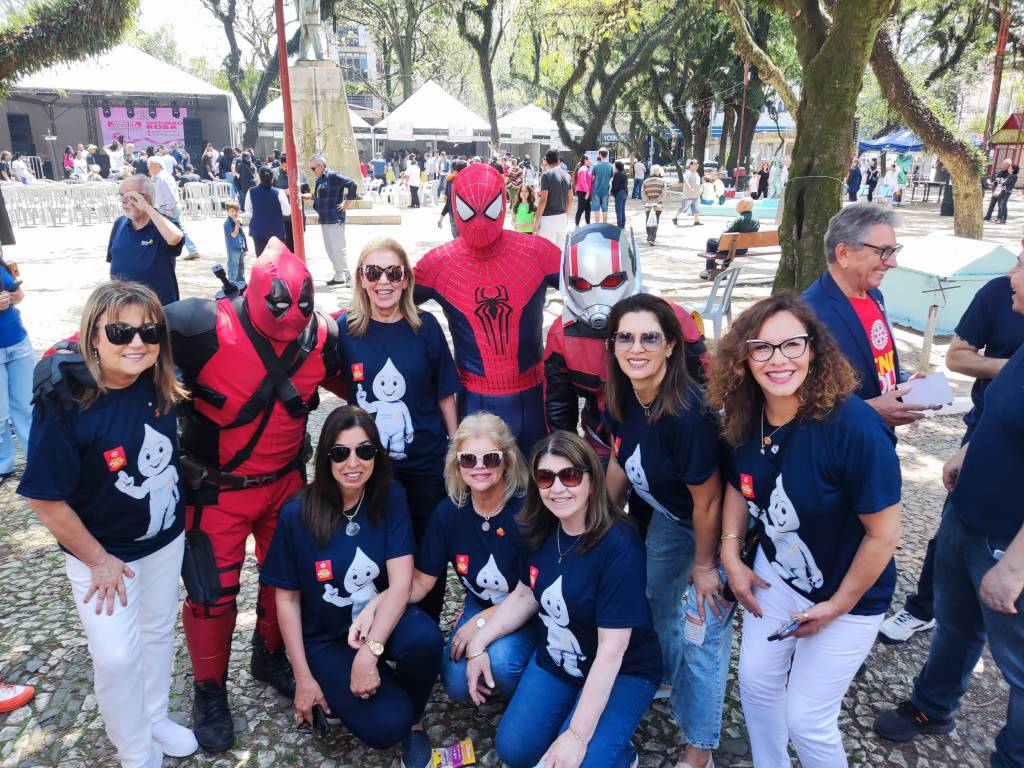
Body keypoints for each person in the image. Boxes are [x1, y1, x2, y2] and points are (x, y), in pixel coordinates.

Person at [708, 292, 902, 766]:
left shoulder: (854, 427)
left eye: (792, 344)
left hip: (849, 593)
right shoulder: (746, 413)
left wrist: (836, 606)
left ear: (813, 348)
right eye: (762, 347)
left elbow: (884, 534)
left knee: (807, 719)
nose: (778, 360)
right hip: (775, 576)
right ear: (744, 357)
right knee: (755, 684)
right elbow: (738, 484)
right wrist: (731, 553)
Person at [163, 243, 339, 752]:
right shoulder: (198, 326)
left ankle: (269, 655)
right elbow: (124, 334)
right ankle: (209, 690)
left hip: (285, 485)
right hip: (216, 490)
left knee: (286, 581)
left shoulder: (322, 336)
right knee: (211, 595)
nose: (289, 327)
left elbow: (367, 377)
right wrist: (68, 361)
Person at [20, 281, 196, 768]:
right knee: (117, 657)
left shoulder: (160, 381)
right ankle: (134, 748)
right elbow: (44, 498)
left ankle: (154, 717)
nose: (137, 342)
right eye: (120, 331)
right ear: (93, 336)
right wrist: (99, 561)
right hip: (101, 555)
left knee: (158, 633)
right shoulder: (65, 400)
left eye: (149, 331)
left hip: (163, 540)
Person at [873, 251, 1024, 766]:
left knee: (1018, 668)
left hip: (1008, 541)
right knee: (956, 624)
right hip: (967, 512)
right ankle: (932, 707)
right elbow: (1000, 410)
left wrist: (1015, 567)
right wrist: (967, 451)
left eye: (1022, 266)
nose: (1010, 275)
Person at [466, 430, 662, 768]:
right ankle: (586, 721)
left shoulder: (620, 545)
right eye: (546, 477)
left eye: (569, 475)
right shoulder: (539, 527)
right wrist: (478, 643)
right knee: (514, 751)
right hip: (561, 660)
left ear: (591, 480)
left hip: (622, 670)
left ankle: (619, 751)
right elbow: (525, 594)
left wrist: (576, 735)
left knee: (582, 759)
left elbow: (612, 651)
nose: (557, 488)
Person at [261, 405, 442, 768]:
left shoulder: (389, 495)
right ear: (325, 456)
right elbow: (287, 600)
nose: (353, 463)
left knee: (425, 639)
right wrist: (303, 679)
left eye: (365, 450)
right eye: (340, 452)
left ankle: (415, 721)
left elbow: (402, 582)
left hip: (378, 617)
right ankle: (346, 688)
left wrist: (369, 654)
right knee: (386, 726)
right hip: (326, 638)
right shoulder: (297, 513)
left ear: (377, 454)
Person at [603, 293, 729, 768]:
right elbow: (620, 458)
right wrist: (599, 520)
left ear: (671, 345)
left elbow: (709, 501)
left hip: (714, 527)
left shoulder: (687, 414)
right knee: (656, 597)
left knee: (703, 635)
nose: (636, 348)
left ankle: (700, 747)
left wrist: (705, 565)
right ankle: (666, 676)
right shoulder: (623, 393)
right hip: (668, 518)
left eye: (649, 338)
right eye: (626, 337)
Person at [353, 412, 536, 703]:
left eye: (490, 458)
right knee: (455, 684)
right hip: (483, 603)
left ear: (507, 461)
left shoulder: (526, 513)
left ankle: (533, 679)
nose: (479, 467)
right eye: (468, 459)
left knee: (502, 665)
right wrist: (373, 606)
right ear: (456, 464)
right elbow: (421, 582)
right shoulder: (448, 513)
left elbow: (532, 594)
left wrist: (479, 624)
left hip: (529, 611)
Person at [330, 236, 460, 620]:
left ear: (406, 279)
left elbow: (445, 393)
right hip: (370, 466)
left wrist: (456, 450)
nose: (383, 281)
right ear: (361, 278)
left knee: (427, 550)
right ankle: (383, 626)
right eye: (373, 272)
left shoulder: (426, 327)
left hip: (425, 462)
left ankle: (424, 629)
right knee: (377, 548)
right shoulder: (346, 330)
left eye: (393, 272)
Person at [415, 162, 561, 453]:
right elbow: (384, 299)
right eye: (469, 211)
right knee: (480, 476)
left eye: (489, 209)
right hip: (475, 399)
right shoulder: (438, 264)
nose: (480, 222)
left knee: (537, 474)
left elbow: (593, 290)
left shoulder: (538, 253)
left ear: (502, 202)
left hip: (529, 395)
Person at [544, 225, 709, 470]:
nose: (597, 294)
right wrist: (567, 458)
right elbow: (559, 406)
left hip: (669, 437)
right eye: (582, 284)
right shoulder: (562, 333)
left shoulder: (670, 319)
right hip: (604, 439)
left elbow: (705, 385)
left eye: (611, 281)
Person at [802, 204, 940, 427]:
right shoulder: (807, 313)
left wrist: (903, 381)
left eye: (894, 251)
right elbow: (799, 397)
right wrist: (869, 410)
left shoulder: (875, 295)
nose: (893, 262)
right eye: (882, 251)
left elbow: (874, 360)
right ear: (843, 253)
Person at [106, 175, 184, 306]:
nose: (123, 200)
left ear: (146, 198)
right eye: (121, 195)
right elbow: (113, 261)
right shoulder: (120, 223)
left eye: (129, 195)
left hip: (158, 307)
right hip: (124, 306)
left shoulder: (164, 224)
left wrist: (147, 208)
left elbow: (175, 238)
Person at [0, 252, 32, 483]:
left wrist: (12, 297)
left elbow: (19, 295)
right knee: (0, 415)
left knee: (28, 407)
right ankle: (3, 465)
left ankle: (37, 459)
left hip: (18, 343)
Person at [308, 154, 358, 287]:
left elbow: (352, 184)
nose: (312, 171)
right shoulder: (319, 179)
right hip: (324, 218)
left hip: (335, 218)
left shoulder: (334, 176)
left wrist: (346, 203)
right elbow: (319, 196)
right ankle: (339, 275)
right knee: (330, 249)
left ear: (320, 166)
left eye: (313, 168)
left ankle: (349, 276)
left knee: (338, 248)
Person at [146, 157, 200, 262]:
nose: (148, 168)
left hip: (167, 207)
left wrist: (169, 208)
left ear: (157, 165)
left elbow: (169, 193)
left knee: (164, 229)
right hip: (168, 207)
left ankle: (163, 252)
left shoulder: (162, 177)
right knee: (178, 229)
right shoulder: (162, 176)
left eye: (150, 165)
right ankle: (192, 250)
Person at [701, 196, 760, 279]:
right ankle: (724, 268)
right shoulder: (756, 220)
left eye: (738, 204)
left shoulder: (739, 219)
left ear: (745, 207)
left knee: (710, 242)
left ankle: (708, 270)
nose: (736, 206)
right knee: (729, 246)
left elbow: (726, 234)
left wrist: (726, 229)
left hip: (730, 249)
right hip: (743, 250)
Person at [534, 149, 573, 249]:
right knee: (559, 252)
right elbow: (570, 199)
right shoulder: (567, 175)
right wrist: (566, 216)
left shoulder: (546, 175)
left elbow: (543, 200)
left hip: (547, 219)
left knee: (545, 251)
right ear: (558, 160)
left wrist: (536, 221)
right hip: (562, 218)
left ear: (546, 161)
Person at [244, 166, 288, 257]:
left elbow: (248, 209)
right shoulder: (279, 192)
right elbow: (287, 212)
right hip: (276, 230)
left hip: (258, 230)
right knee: (277, 259)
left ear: (259, 177)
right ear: (273, 178)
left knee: (262, 258)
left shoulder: (251, 191)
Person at [272, 155, 309, 253]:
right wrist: (284, 191)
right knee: (286, 246)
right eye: (285, 166)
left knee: (298, 245)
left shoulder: (301, 174)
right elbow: (269, 191)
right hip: (282, 218)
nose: (287, 169)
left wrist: (300, 195)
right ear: (281, 164)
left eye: (289, 166)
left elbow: (309, 194)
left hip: (299, 216)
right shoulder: (274, 173)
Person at [437, 159, 468, 239]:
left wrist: (441, 217)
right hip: (467, 215)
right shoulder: (468, 181)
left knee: (457, 241)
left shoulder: (450, 180)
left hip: (453, 214)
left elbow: (448, 201)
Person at [222, 202, 248, 287]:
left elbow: (242, 235)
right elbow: (234, 235)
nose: (234, 213)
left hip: (240, 248)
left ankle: (241, 284)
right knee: (233, 267)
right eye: (232, 211)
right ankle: (232, 284)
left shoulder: (237, 221)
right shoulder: (228, 223)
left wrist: (245, 248)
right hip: (233, 249)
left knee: (241, 267)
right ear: (228, 212)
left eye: (236, 211)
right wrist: (237, 225)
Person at [641, 164, 667, 245]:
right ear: (659, 171)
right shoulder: (662, 182)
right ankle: (652, 238)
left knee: (648, 220)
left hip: (648, 205)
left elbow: (642, 193)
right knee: (655, 221)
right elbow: (663, 194)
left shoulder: (645, 182)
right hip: (658, 205)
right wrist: (656, 201)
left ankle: (649, 236)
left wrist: (649, 201)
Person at [673, 159, 702, 226]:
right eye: (695, 164)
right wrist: (690, 188)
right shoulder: (687, 173)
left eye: (697, 164)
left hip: (696, 195)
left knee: (696, 208)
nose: (697, 165)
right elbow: (686, 181)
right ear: (690, 165)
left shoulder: (696, 173)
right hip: (688, 195)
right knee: (682, 207)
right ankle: (675, 218)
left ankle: (696, 221)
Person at [573, 156, 593, 228]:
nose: (590, 161)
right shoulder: (583, 169)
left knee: (588, 208)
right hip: (582, 191)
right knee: (581, 208)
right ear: (585, 160)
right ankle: (577, 225)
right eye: (589, 159)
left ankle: (588, 224)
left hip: (586, 191)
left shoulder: (586, 169)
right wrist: (587, 192)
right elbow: (583, 181)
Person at [611, 160, 629, 229]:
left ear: (617, 167)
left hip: (619, 193)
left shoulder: (617, 174)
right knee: (622, 209)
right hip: (625, 192)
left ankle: (619, 225)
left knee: (618, 210)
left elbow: (615, 185)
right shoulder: (624, 173)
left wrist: (612, 192)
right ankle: (622, 224)